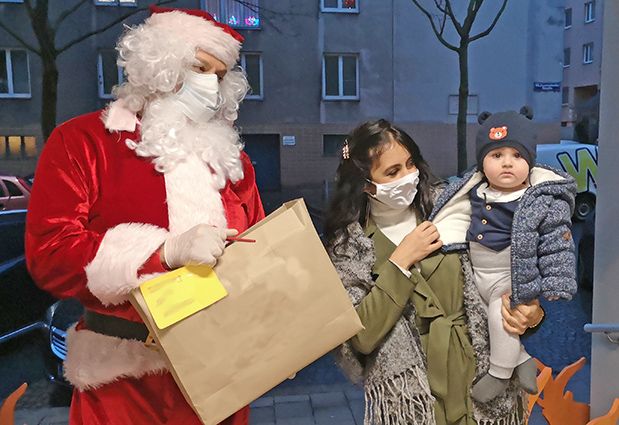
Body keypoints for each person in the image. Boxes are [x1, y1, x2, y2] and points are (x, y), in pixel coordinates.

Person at [25, 6, 264, 425]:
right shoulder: (83, 143)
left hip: (219, 377)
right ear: (160, 62)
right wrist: (163, 252)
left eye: (220, 74)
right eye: (198, 66)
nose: (210, 83)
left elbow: (259, 248)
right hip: (122, 386)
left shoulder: (230, 159)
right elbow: (50, 256)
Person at [324, 119, 544, 425]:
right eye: (392, 171)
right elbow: (360, 338)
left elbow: (505, 271)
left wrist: (530, 312)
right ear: (365, 184)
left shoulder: (454, 207)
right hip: (413, 401)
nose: (407, 176)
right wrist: (400, 262)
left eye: (410, 163)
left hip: (480, 381)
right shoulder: (350, 245)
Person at [428, 107, 577, 403]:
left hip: (511, 277)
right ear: (482, 163)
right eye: (496, 156)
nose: (507, 163)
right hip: (478, 274)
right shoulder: (474, 191)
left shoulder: (539, 198)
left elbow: (557, 242)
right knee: (485, 319)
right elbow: (454, 213)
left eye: (517, 156)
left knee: (501, 317)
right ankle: (522, 360)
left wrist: (557, 281)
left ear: (530, 162)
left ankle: (499, 372)